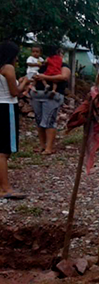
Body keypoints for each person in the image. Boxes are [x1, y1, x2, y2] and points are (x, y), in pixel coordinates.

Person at [0, 42, 31, 199]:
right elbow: (14, 92)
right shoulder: (8, 68)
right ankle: (5, 188)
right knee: (4, 152)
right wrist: (24, 83)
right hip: (7, 108)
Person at [30, 46, 71, 155]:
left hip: (52, 96)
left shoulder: (64, 66)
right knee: (39, 120)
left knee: (49, 121)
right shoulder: (43, 65)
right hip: (38, 94)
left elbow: (64, 77)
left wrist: (45, 77)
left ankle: (49, 147)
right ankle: (42, 146)